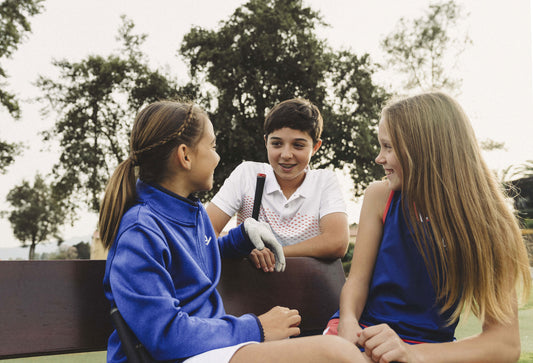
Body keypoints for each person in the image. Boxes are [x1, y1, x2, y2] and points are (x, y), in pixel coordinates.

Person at [99, 100, 362, 363]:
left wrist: (242, 237)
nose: (218, 156)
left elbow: (195, 258)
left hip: (210, 349)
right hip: (181, 354)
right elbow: (167, 336)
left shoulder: (191, 212)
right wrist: (257, 328)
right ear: (185, 156)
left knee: (343, 352)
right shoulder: (140, 232)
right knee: (335, 354)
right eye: (212, 146)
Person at [324, 91, 532, 363]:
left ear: (422, 151)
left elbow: (504, 345)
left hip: (429, 351)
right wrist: (349, 321)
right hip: (362, 333)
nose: (379, 158)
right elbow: (357, 280)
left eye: (388, 147)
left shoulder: (492, 224)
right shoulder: (379, 196)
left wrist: (412, 353)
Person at [207, 98, 349, 272]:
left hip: (306, 289)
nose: (286, 154)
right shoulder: (247, 174)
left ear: (315, 147)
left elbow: (338, 242)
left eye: (298, 145)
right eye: (276, 143)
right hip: (250, 288)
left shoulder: (324, 181)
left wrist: (276, 253)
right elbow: (206, 231)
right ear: (266, 142)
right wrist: (240, 249)